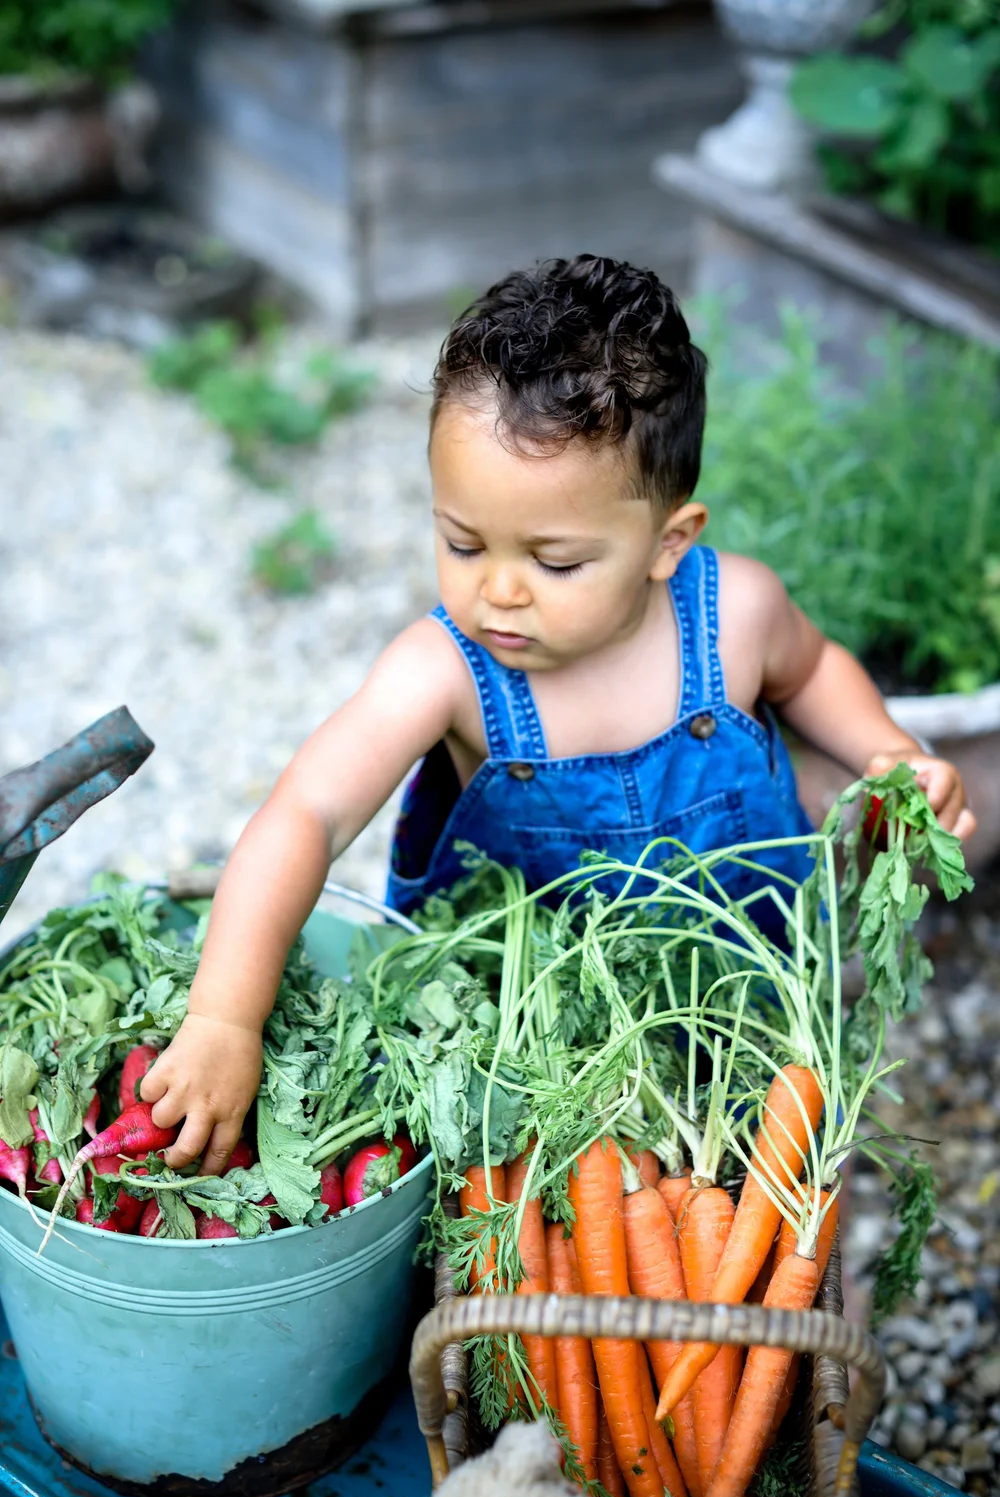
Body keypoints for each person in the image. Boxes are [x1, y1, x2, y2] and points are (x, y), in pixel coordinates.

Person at [141, 255, 975, 1174]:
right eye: (461, 542)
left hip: (746, 1000)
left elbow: (814, 670)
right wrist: (225, 1014)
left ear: (669, 542)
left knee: (775, 1177)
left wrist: (889, 753)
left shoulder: (736, 616)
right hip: (526, 1057)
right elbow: (308, 812)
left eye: (557, 563)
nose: (497, 590)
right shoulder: (445, 671)